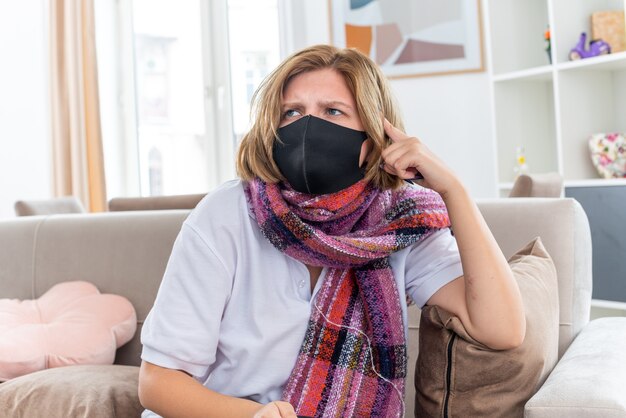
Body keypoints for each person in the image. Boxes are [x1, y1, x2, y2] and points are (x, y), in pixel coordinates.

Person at [137, 44, 525, 418]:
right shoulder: (225, 214)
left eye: (333, 111)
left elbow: (502, 328)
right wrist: (255, 415)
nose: (308, 127)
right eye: (291, 112)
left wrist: (453, 191)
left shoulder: (399, 222)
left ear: (375, 137)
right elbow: (157, 382)